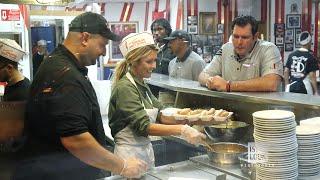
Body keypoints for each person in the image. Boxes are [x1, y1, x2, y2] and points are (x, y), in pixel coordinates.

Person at [13, 12, 146, 180]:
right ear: (85, 38)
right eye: (102, 45)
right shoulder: (65, 75)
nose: (104, 52)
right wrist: (123, 166)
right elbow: (76, 141)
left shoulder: (60, 64)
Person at [109, 32, 206, 176]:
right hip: (128, 156)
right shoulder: (125, 88)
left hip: (144, 152)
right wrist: (182, 130)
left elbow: (161, 114)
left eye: (155, 60)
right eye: (149, 61)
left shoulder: (141, 83)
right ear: (134, 61)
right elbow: (144, 126)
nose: (154, 66)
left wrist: (189, 119)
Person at [199, 15, 283, 92]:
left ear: (255, 37)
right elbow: (202, 75)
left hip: (264, 107)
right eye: (235, 36)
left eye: (245, 37)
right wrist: (210, 81)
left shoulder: (269, 49)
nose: (239, 42)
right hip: (230, 106)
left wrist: (228, 85)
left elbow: (271, 83)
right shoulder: (225, 49)